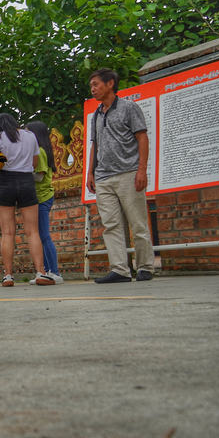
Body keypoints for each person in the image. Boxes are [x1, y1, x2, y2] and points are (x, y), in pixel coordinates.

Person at [87, 68, 155, 283]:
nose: (93, 89)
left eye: (96, 84)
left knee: (138, 224)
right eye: (91, 86)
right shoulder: (96, 114)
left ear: (110, 84)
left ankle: (145, 267)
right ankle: (120, 270)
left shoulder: (129, 107)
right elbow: (94, 145)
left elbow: (142, 138)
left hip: (128, 173)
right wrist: (90, 172)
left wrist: (141, 170)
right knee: (111, 225)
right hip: (103, 177)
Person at [0, 113, 54, 287]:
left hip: (6, 181)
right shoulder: (30, 136)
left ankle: (8, 276)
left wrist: (0, 156)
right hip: (26, 181)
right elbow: (33, 164)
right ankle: (40, 272)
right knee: (32, 231)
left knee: (8, 232)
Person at [26, 121, 64, 285]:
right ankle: (47, 272)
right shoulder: (40, 151)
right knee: (41, 236)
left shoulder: (40, 152)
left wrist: (22, 172)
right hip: (39, 197)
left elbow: (39, 176)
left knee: (44, 236)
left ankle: (54, 272)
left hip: (42, 197)